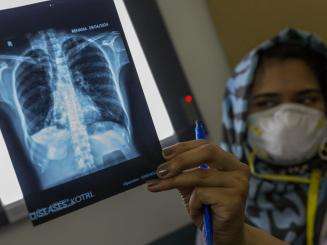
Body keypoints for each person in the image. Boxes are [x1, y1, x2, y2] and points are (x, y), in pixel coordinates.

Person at [146, 28, 327, 245]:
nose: (288, 118)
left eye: (306, 99)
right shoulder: (220, 197)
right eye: (267, 103)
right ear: (238, 116)